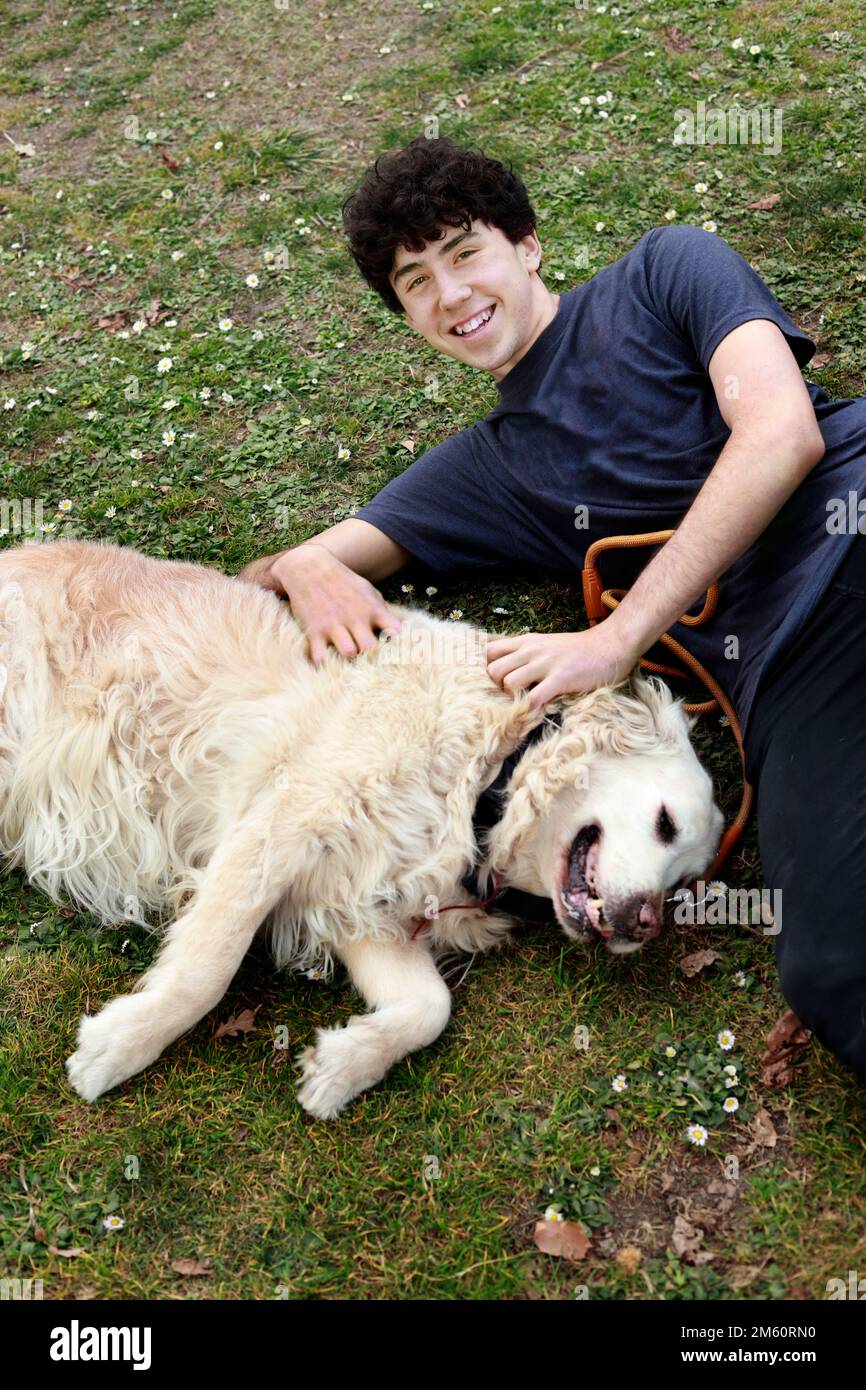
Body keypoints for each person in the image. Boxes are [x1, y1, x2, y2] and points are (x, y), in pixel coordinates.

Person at [238, 136, 866, 1084]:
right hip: (793, 674)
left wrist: (619, 637)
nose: (448, 294)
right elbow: (279, 572)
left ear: (526, 245)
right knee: (833, 970)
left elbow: (781, 436)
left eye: (464, 251)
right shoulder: (486, 471)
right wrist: (304, 566)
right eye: (414, 282)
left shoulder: (665, 272)